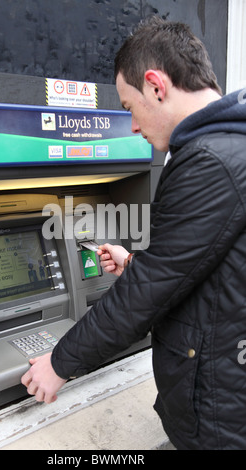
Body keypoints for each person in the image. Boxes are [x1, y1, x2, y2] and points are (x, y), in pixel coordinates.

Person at [21, 17, 246, 450]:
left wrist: (60, 362)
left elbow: (144, 295)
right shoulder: (229, 144)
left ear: (156, 86)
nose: (133, 127)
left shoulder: (210, 160)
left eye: (129, 107)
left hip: (223, 413)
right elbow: (198, 262)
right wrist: (137, 263)